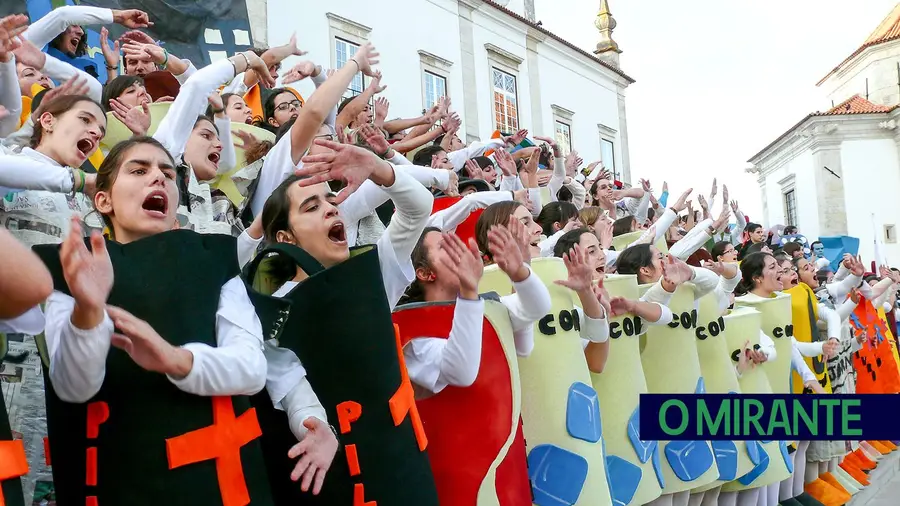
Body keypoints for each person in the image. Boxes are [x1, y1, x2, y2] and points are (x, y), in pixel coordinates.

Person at [33, 136, 272, 506]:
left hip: (222, 489)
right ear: (104, 200)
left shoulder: (214, 259)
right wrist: (89, 311)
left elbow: (253, 369)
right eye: (139, 170)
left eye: (166, 172)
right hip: (123, 482)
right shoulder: (69, 266)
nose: (158, 178)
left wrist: (173, 358)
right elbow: (73, 387)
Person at [242, 138, 438, 504]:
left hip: (405, 475)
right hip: (331, 485)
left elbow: (417, 208)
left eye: (332, 201)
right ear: (285, 237)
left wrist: (377, 167)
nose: (332, 210)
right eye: (312, 207)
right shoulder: (266, 309)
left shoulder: (375, 271)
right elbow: (286, 385)